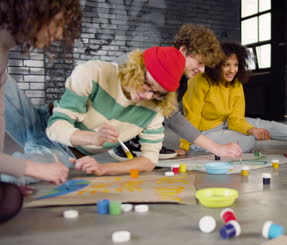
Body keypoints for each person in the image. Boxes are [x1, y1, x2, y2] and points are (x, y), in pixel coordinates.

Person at [2, 46, 186, 187]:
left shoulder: (154, 112)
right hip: (38, 121)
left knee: (13, 175)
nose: (147, 96)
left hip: (63, 151)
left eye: (157, 93)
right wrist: (93, 138)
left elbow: (149, 160)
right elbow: (55, 127)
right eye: (147, 86)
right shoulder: (94, 72)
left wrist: (103, 168)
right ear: (137, 69)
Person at [0, 0, 82, 223]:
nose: (58, 34)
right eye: (56, 24)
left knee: (10, 197)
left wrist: (16, 172)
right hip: (46, 126)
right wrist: (31, 168)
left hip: (55, 143)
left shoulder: (3, 54)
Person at [109, 24, 242, 161]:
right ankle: (125, 141)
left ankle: (140, 142)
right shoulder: (143, 62)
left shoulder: (182, 80)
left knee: (161, 108)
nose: (202, 70)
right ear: (184, 50)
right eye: (199, 63)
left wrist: (216, 148)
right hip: (107, 114)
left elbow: (172, 116)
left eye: (205, 66)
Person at [179, 42, 287, 154]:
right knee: (249, 141)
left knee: (265, 126)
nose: (232, 70)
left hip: (226, 123)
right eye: (226, 65)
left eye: (235, 65)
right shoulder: (199, 81)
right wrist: (184, 146)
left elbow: (236, 119)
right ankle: (197, 146)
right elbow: (192, 116)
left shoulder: (236, 84)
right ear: (216, 66)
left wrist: (252, 129)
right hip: (203, 132)